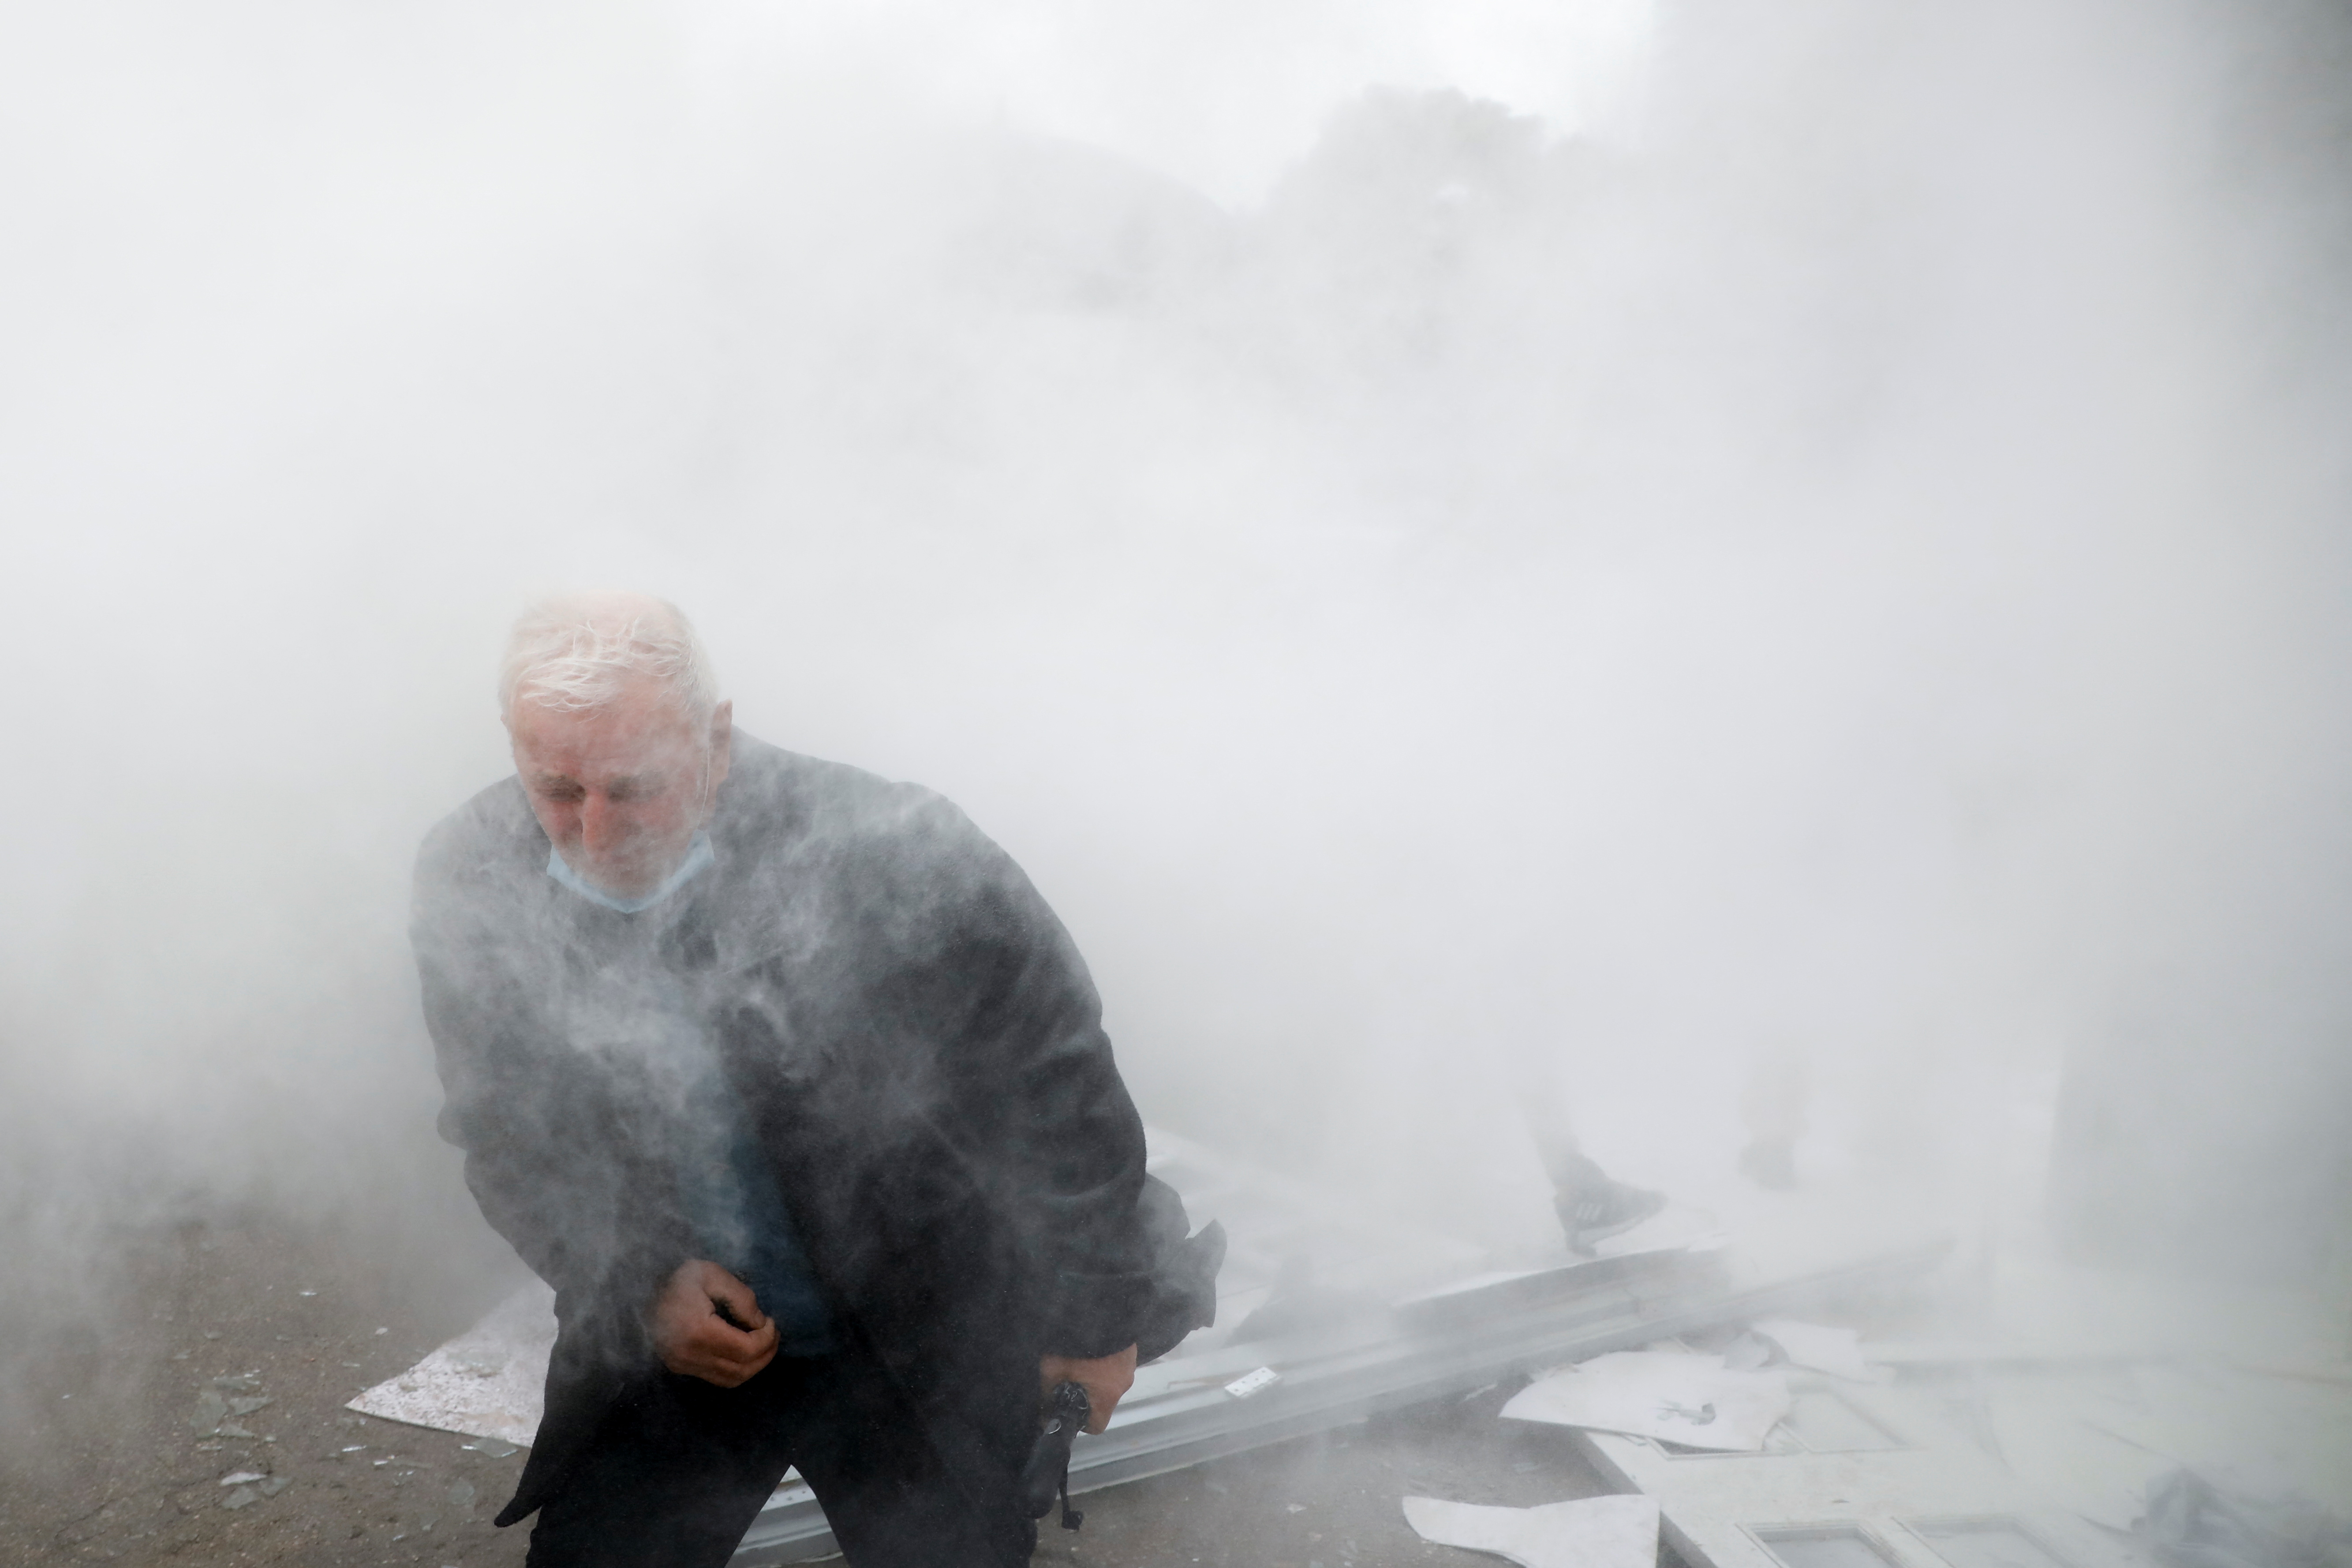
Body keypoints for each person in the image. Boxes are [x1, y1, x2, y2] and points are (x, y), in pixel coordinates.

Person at [411, 591, 1156, 1568]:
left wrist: (1094, 1321)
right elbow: (505, 1128)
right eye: (556, 788)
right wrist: (638, 1282)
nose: (594, 833)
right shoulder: (474, 874)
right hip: (682, 1334)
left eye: (634, 788)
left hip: (911, 1325)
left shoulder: (898, 849)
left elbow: (1060, 1082)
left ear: (715, 740)